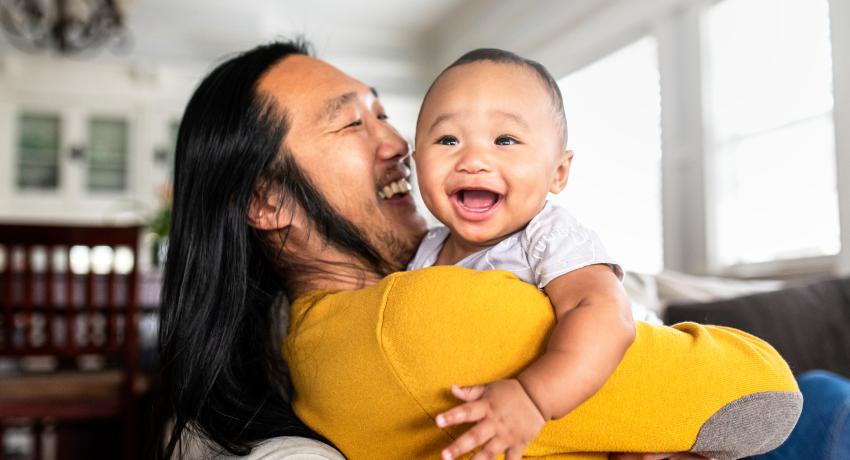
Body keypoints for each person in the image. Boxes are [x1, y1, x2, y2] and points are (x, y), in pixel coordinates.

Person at [159, 39, 802, 460]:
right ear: (268, 202)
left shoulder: (305, 350)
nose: (395, 146)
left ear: (559, 170)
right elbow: (764, 392)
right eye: (353, 122)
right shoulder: (423, 320)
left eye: (383, 114)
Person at [408, 49, 633, 460]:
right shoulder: (423, 253)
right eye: (447, 140)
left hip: (630, 384)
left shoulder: (547, 235)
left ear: (558, 173)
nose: (474, 160)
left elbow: (604, 313)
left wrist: (533, 397)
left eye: (505, 140)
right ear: (415, 160)